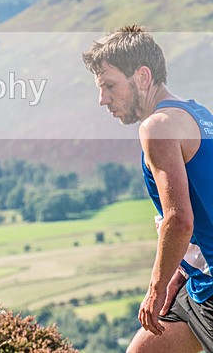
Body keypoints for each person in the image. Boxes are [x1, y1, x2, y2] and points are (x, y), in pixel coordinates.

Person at [83, 25, 213, 352]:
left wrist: (154, 291)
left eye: (110, 86)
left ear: (142, 77)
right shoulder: (200, 115)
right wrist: (179, 274)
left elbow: (178, 220)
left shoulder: (156, 127)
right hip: (197, 283)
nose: (102, 100)